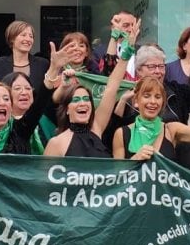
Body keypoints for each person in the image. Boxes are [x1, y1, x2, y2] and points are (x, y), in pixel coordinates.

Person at [44, 21, 139, 158]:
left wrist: (127, 51)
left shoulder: (97, 128)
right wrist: (61, 81)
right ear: (67, 109)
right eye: (76, 100)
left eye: (86, 99)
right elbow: (46, 177)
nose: (83, 103)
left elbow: (111, 88)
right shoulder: (56, 143)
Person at [0, 42, 72, 154]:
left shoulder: (19, 130)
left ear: (10, 106)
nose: (2, 103)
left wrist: (54, 68)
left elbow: (39, 104)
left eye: (6, 99)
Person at [113, 60, 190, 160]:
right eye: (147, 96)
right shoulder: (122, 134)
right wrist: (134, 160)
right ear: (136, 101)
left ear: (163, 102)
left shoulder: (171, 130)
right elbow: (117, 175)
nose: (153, 101)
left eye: (158, 97)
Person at [0, 20, 50, 90]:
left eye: (31, 36)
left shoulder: (42, 64)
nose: (28, 39)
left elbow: (49, 91)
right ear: (12, 38)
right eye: (23, 35)